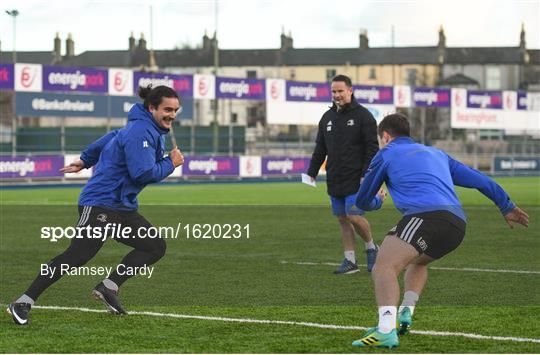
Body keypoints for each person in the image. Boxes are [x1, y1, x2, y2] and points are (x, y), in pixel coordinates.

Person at [7, 85, 184, 325]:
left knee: (154, 246)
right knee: (77, 255)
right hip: (101, 204)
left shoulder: (143, 127)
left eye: (175, 110)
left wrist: (85, 159)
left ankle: (108, 287)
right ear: (152, 107)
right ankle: (23, 301)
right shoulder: (141, 131)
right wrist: (171, 163)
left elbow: (111, 136)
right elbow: (141, 173)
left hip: (122, 207)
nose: (172, 115)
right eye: (167, 109)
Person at [351, 113, 529, 348]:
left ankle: (385, 329)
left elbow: (362, 201)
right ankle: (406, 311)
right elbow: (480, 180)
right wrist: (505, 205)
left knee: (383, 267)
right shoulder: (437, 153)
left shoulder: (386, 153)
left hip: (426, 217)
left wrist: (377, 201)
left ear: (385, 136)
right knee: (418, 261)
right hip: (456, 225)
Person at [307, 74, 380, 274]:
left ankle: (372, 247)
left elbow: (372, 148)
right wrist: (312, 172)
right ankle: (350, 261)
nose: (337, 95)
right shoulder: (327, 118)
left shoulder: (364, 116)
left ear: (350, 91)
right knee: (342, 219)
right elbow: (320, 148)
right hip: (334, 177)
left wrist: (367, 173)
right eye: (334, 91)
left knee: (353, 215)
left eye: (340, 91)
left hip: (356, 177)